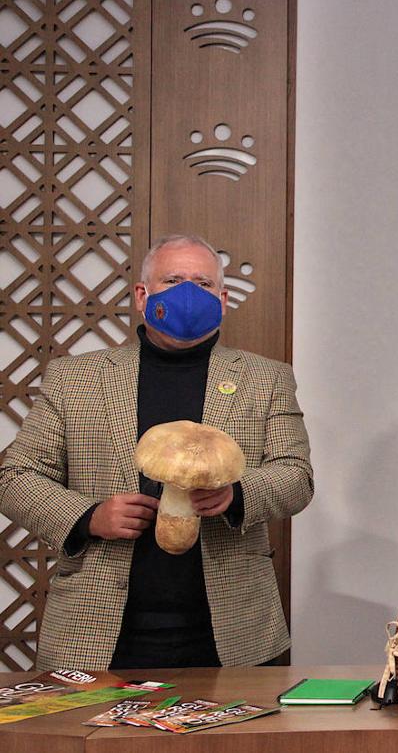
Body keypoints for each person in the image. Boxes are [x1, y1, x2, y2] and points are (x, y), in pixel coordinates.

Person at [0, 234, 313, 670]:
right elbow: (15, 477)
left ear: (223, 300)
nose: (189, 293)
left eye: (203, 284)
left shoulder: (267, 378)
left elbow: (296, 475)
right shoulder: (74, 378)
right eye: (173, 280)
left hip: (233, 629)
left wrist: (236, 494)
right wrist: (89, 516)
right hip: (95, 629)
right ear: (142, 295)